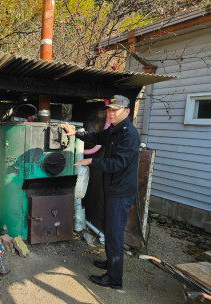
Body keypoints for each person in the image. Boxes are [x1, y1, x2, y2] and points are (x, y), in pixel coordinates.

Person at [64, 95, 140, 289]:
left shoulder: (129, 134)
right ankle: (112, 263)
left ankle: (114, 279)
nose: (112, 113)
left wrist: (91, 161)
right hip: (114, 188)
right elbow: (97, 137)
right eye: (110, 109)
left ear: (127, 112)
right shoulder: (115, 129)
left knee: (114, 234)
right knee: (110, 229)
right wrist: (76, 134)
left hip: (120, 191)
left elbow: (118, 163)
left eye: (116, 109)